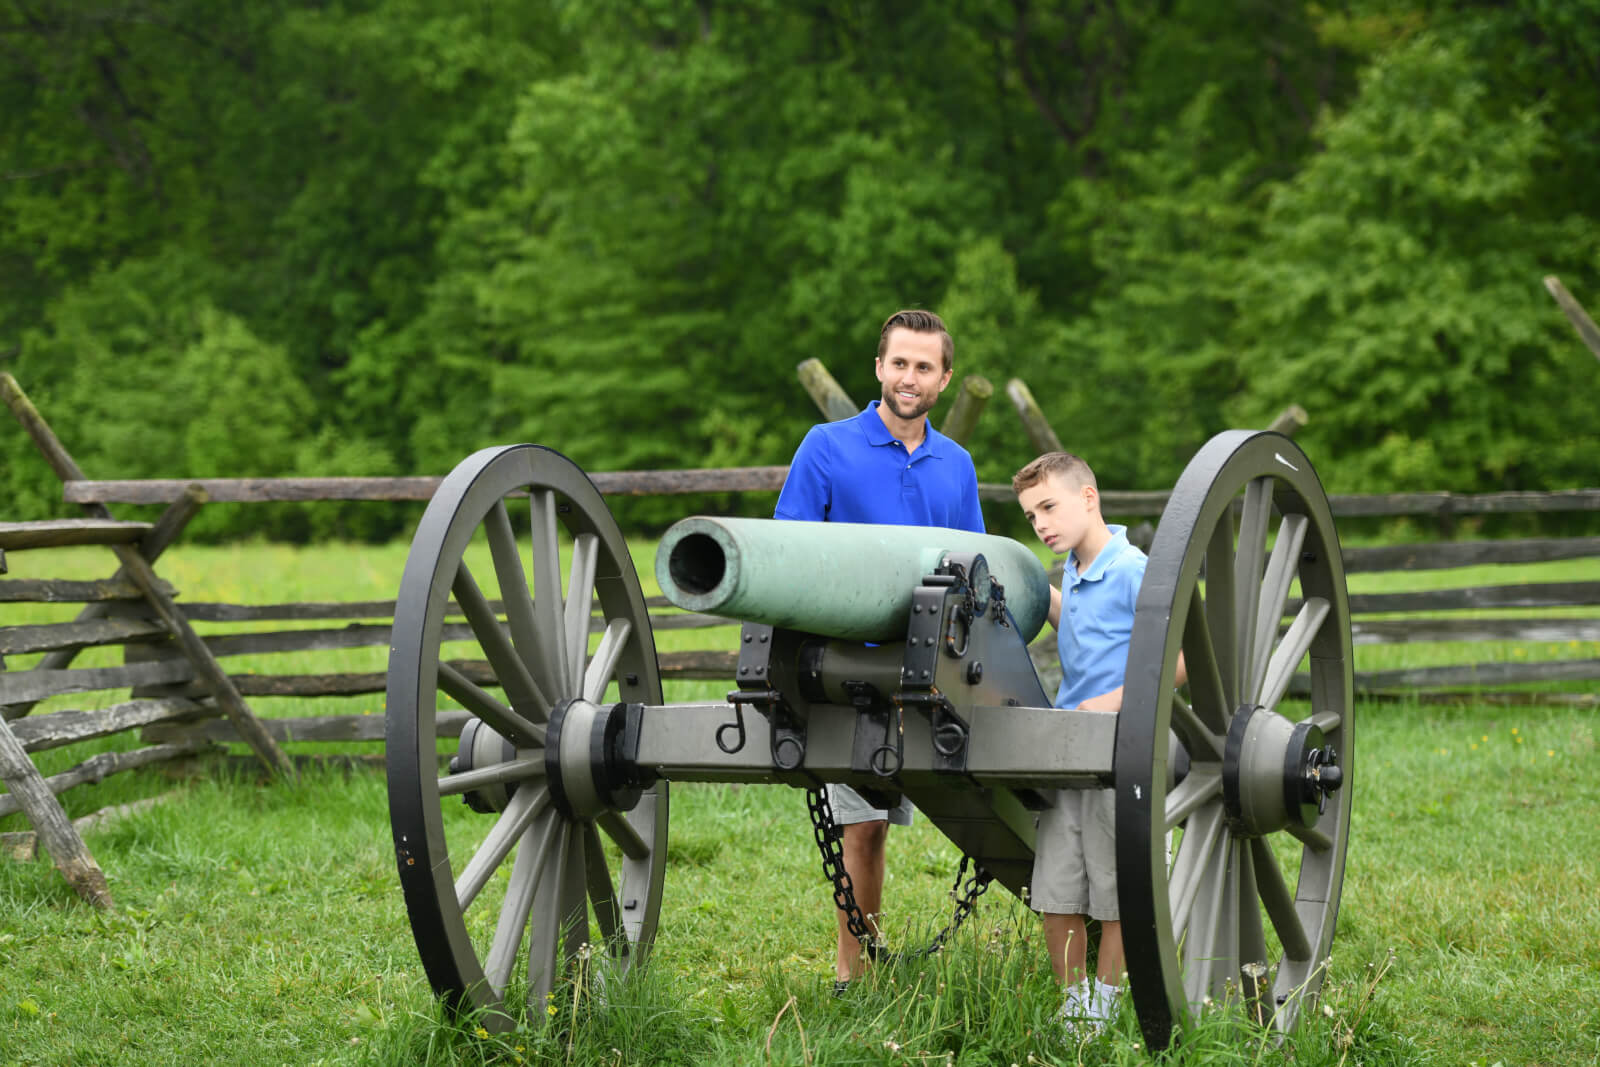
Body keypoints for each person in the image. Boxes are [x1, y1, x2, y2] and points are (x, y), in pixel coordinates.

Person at [775, 308, 983, 989]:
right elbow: (791, 547)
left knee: (944, 814)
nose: (909, 377)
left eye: (925, 366)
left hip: (932, 664)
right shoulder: (827, 446)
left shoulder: (956, 465)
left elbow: (973, 565)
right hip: (848, 663)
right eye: (899, 363)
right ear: (878, 368)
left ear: (944, 379)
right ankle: (852, 969)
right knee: (862, 827)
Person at [1012, 450, 1179, 1030]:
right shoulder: (1076, 574)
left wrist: (1112, 700)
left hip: (1119, 749)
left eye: (1049, 507)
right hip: (1070, 752)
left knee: (1114, 890)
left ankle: (1105, 1005)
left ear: (1089, 497)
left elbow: (1178, 664)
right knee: (1057, 888)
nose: (1041, 524)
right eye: (1032, 516)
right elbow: (1081, 625)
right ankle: (1073, 1000)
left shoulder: (1133, 568)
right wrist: (1033, 593)